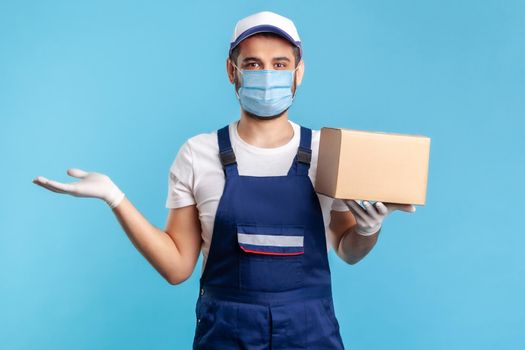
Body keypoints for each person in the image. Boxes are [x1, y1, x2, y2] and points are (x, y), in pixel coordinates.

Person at [33, 10, 416, 349]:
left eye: (280, 64)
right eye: (253, 64)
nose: (268, 74)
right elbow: (177, 268)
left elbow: (348, 251)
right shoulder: (197, 154)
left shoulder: (327, 151)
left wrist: (368, 230)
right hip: (226, 335)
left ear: (299, 72)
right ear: (232, 71)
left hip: (310, 333)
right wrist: (115, 198)